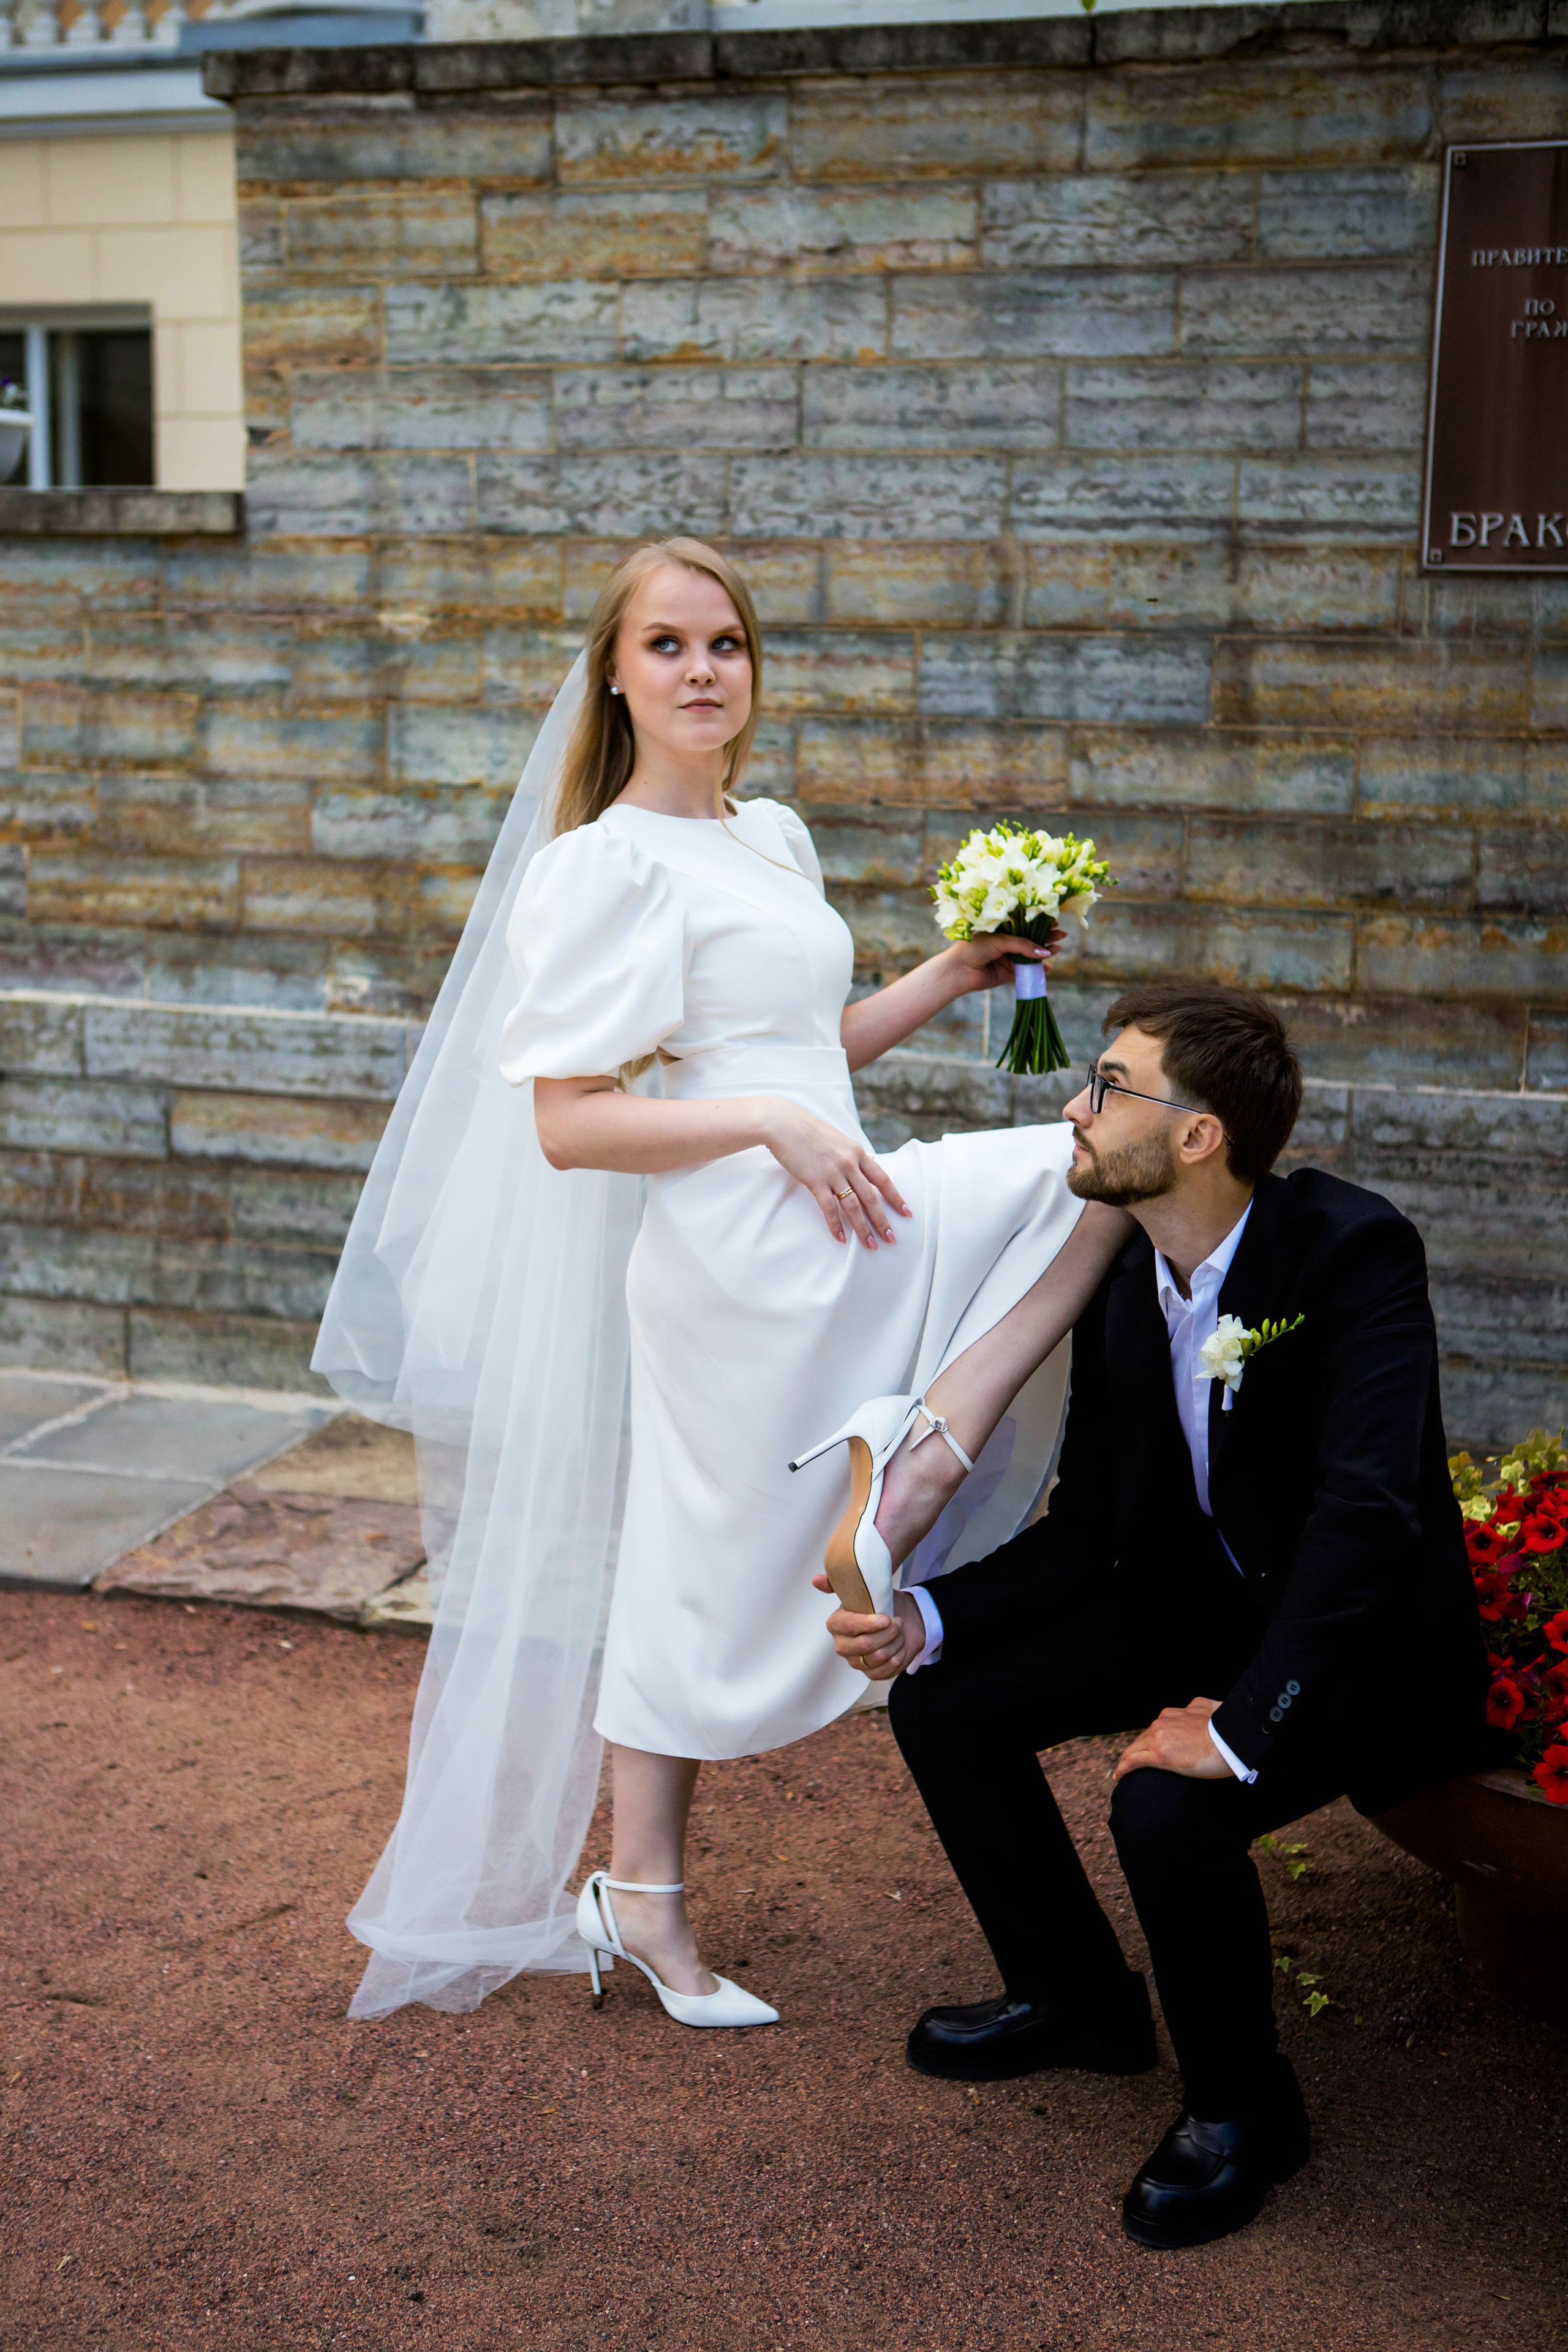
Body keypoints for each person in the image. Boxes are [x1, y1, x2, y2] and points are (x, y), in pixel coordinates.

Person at [315, 535, 1127, 2027]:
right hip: (730, 1261)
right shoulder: (597, 867)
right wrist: (762, 1123)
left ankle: (902, 1483)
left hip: (835, 1218)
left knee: (1091, 1169)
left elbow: (805, 1055)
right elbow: (569, 1123)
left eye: (727, 645)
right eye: (669, 646)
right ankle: (657, 1895)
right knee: (693, 1563)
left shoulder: (774, 838)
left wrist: (950, 974)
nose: (703, 672)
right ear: (613, 676)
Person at [823, 981, 1487, 2248]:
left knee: (1167, 1806)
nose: (1075, 1109)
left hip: (1354, 1650)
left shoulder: (1352, 1250)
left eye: (1109, 1088)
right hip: (1196, 1618)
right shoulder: (1131, 1272)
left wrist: (1241, 1730)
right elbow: (1094, 1529)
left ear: (1196, 1135)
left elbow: (1366, 1522)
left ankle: (1243, 2114)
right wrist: (927, 1616)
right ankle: (1075, 1999)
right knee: (946, 1705)